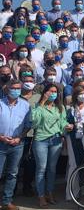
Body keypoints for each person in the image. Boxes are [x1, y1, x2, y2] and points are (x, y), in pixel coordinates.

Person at [31, 83, 73, 208]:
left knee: (52, 168)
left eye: (55, 91)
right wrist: (42, 103)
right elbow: (34, 121)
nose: (53, 93)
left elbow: (62, 122)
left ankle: (49, 192)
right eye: (51, 91)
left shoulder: (59, 107)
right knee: (41, 169)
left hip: (55, 140)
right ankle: (41, 195)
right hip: (41, 140)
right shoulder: (37, 106)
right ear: (45, 92)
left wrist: (66, 126)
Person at [0, 80, 31, 210]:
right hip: (1, 144)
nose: (16, 90)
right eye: (13, 88)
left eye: (18, 88)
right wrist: (1, 137)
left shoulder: (25, 105)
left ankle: (7, 202)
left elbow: (27, 126)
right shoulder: (0, 103)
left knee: (12, 174)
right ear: (7, 89)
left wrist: (19, 137)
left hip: (17, 144)